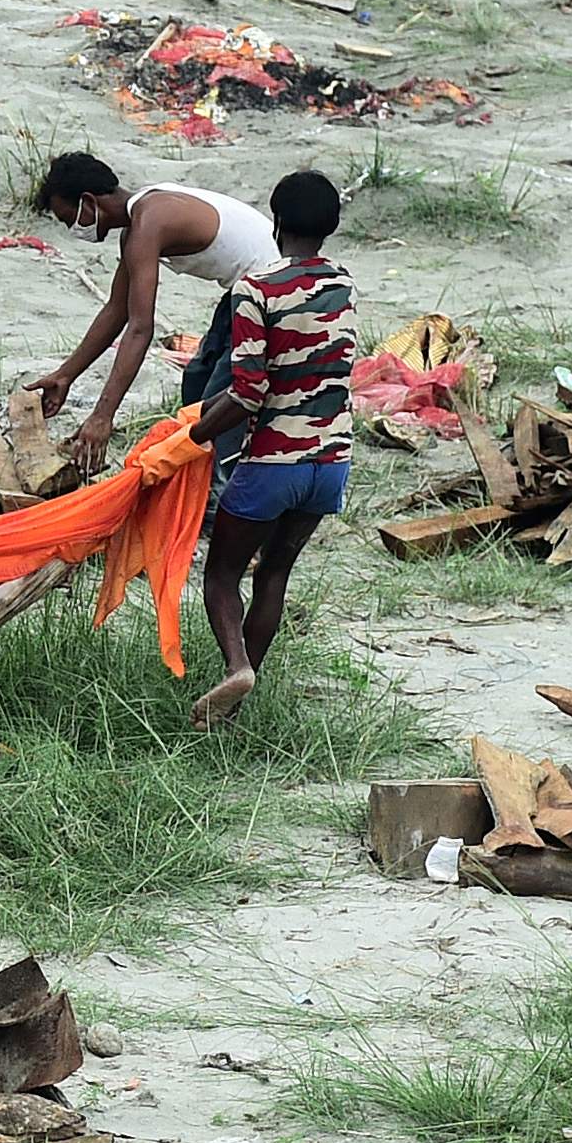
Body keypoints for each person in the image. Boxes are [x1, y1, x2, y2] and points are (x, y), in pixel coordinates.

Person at [181, 168, 355, 727]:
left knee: (221, 576)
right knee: (273, 574)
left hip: (273, 461)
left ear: (276, 220)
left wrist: (196, 435)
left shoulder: (255, 290)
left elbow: (249, 390)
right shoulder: (343, 284)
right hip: (330, 462)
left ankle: (236, 666)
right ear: (330, 227)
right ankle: (233, 707)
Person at [21, 151, 283, 479]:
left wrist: (103, 416)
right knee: (198, 380)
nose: (72, 229)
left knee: (220, 406)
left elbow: (140, 328)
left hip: (277, 296)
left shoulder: (149, 222)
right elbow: (117, 310)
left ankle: (217, 497)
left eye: (67, 218)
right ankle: (198, 475)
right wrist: (65, 375)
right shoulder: (139, 220)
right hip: (246, 290)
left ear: (88, 203)